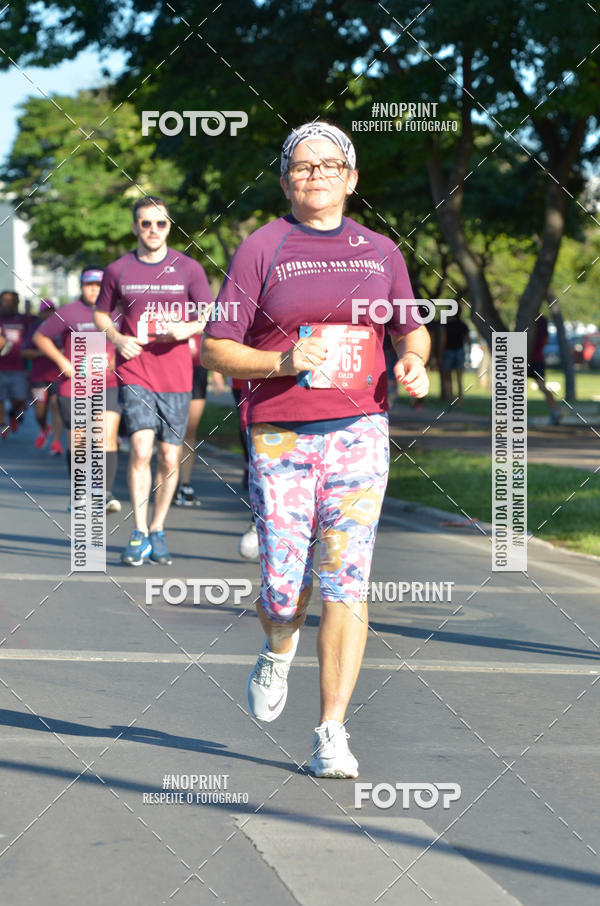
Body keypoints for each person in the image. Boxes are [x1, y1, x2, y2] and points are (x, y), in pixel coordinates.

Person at [202, 122, 430, 778]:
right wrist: (283, 360)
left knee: (345, 581)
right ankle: (278, 649)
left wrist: (413, 361)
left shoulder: (380, 251)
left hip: (360, 429)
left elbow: (410, 330)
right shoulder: (262, 247)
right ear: (285, 182)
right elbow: (216, 348)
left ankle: (331, 730)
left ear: (351, 179)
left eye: (330, 165)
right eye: (303, 167)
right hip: (280, 432)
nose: (317, 175)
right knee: (282, 586)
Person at [94, 196, 212, 566]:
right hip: (136, 370)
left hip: (176, 375)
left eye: (160, 223)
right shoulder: (119, 269)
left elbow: (208, 311)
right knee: (141, 449)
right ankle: (139, 530)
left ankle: (158, 527)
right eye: (146, 223)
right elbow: (101, 314)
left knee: (168, 455)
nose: (153, 230)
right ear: (135, 227)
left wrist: (187, 329)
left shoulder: (189, 268)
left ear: (169, 226)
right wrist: (118, 339)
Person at [34, 268, 123, 511]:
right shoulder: (69, 311)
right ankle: (79, 494)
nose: (94, 289)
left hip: (107, 384)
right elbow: (40, 337)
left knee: (106, 436)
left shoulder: (117, 312)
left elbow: (128, 337)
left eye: (99, 285)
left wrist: (118, 358)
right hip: (75, 386)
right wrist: (62, 361)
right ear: (82, 286)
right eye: (89, 285)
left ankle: (104, 494)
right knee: (80, 442)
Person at [173, 334, 225, 507]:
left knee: (189, 430)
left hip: (197, 368)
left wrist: (216, 373)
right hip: (171, 368)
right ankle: (169, 481)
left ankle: (185, 485)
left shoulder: (206, 313)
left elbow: (213, 335)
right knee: (171, 432)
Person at [21, 299, 64, 454]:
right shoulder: (34, 329)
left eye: (51, 310)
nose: (49, 314)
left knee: (56, 405)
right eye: (46, 311)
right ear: (40, 313)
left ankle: (56, 442)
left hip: (59, 375)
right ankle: (45, 428)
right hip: (39, 376)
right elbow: (24, 352)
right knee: (40, 412)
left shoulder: (63, 327)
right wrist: (46, 352)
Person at [0, 290, 29, 436]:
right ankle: (3, 425)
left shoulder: (23, 320)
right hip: (1, 367)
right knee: (0, 398)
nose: (7, 303)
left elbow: (31, 339)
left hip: (19, 367)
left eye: (10, 300)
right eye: (4, 300)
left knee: (20, 398)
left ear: (16, 303)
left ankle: (13, 413)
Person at [528, 313, 560, 424]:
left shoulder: (540, 320)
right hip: (534, 358)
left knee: (542, 386)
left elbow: (545, 340)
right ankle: (555, 410)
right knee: (542, 386)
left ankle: (555, 411)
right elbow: (546, 340)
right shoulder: (528, 317)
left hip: (535, 359)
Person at [440, 304, 470, 408]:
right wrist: (468, 353)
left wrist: (440, 353)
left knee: (447, 377)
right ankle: (460, 403)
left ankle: (450, 401)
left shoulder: (445, 325)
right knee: (459, 379)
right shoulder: (463, 325)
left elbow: (443, 340)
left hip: (448, 352)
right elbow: (468, 340)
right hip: (460, 351)